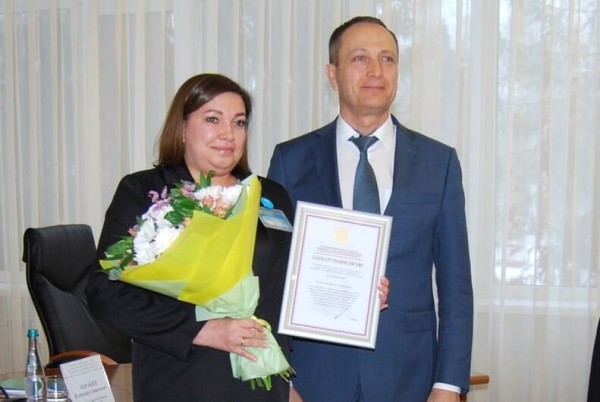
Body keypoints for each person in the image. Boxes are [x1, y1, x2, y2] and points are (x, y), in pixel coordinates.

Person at [268, 16, 473, 402]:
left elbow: (456, 284)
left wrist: (447, 384)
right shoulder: (290, 160)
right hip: (313, 378)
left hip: (409, 376)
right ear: (333, 74)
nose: (376, 70)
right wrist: (282, 380)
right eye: (360, 58)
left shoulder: (438, 162)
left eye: (387, 59)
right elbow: (270, 278)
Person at [87, 73, 298, 401]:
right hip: (181, 380)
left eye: (239, 122)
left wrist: (358, 295)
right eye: (213, 119)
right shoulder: (144, 192)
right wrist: (204, 329)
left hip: (261, 382)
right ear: (183, 127)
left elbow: (289, 285)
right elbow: (104, 292)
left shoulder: (269, 195)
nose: (228, 133)